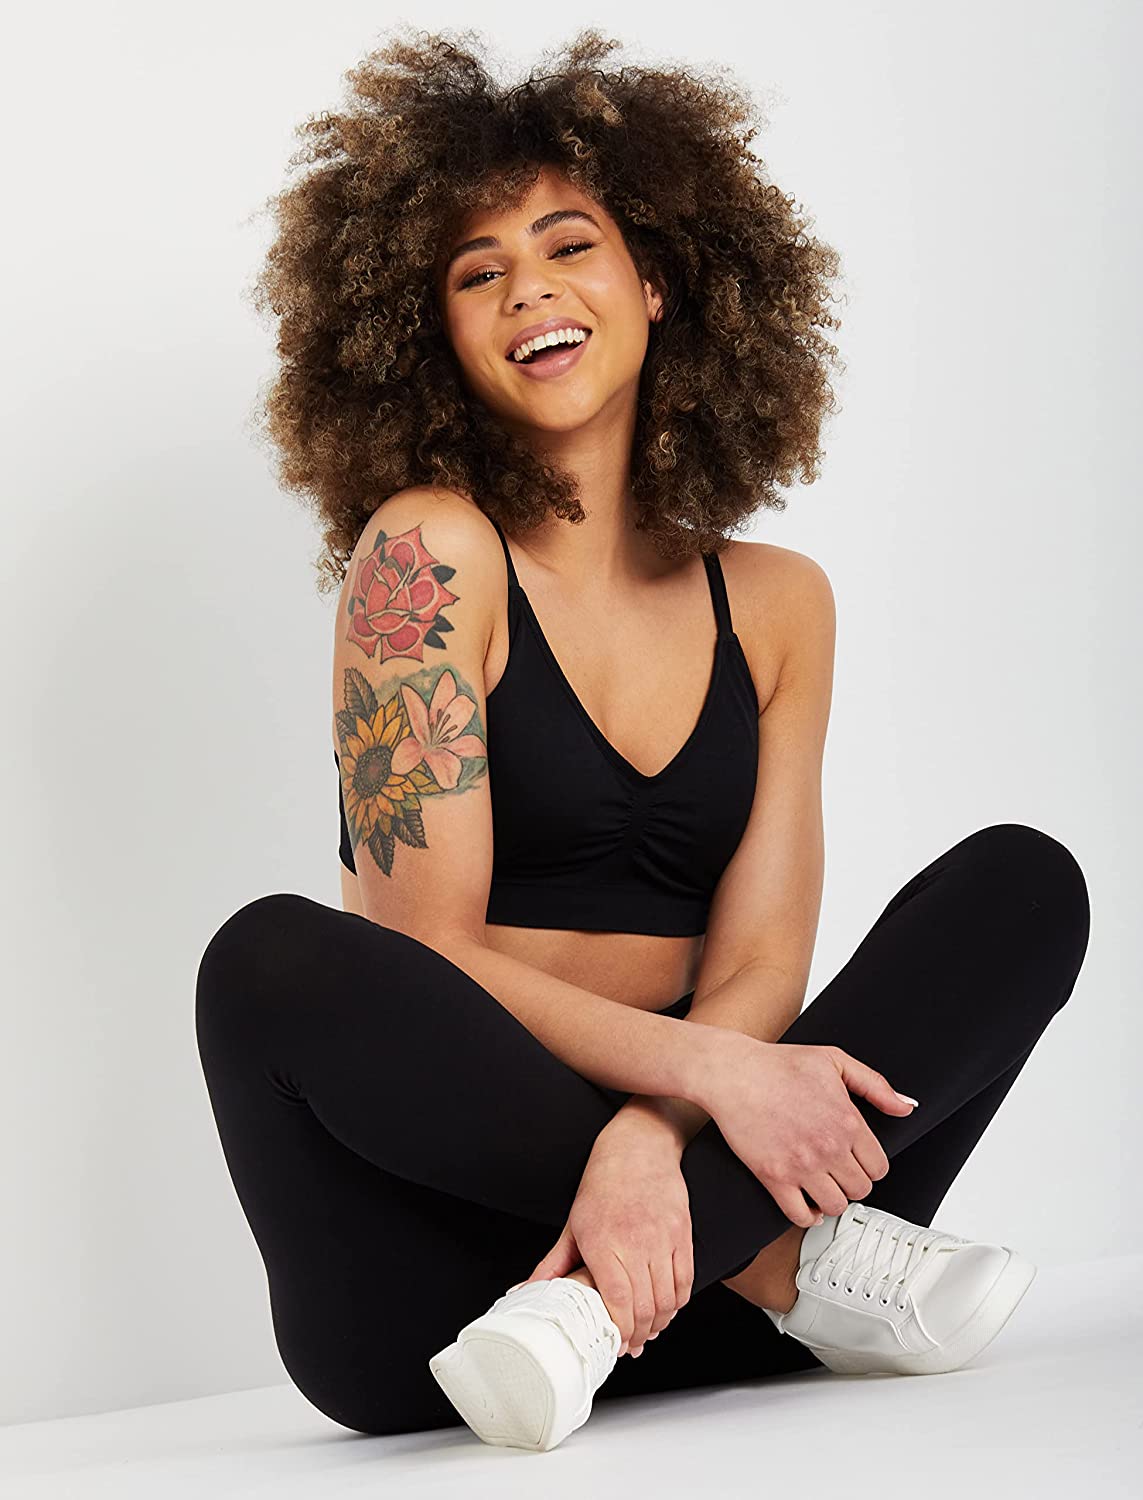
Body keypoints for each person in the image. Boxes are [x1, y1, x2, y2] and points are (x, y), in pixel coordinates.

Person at [195, 28, 1090, 1453]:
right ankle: (794, 1271)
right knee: (267, 961)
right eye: (477, 273)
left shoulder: (779, 603)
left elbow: (758, 965)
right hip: (446, 1310)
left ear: (660, 282)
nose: (528, 289)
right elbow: (424, 948)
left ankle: (623, 1303)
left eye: (570, 246)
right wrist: (712, 1082)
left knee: (1024, 884)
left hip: (678, 1225)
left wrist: (655, 1126)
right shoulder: (429, 554)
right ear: (431, 339)